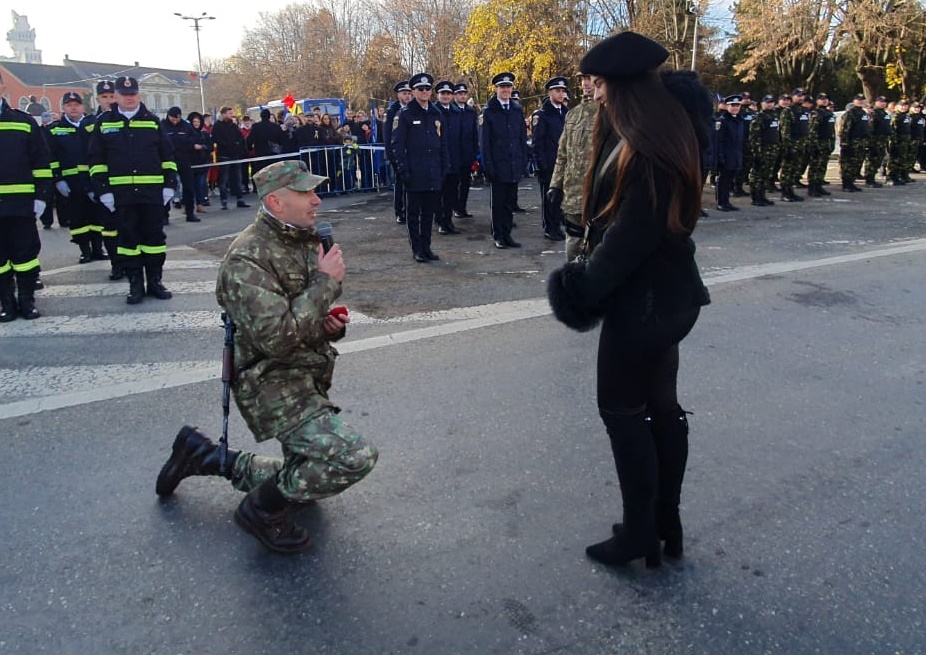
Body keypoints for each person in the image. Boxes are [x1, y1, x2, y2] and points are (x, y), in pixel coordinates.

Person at [546, 31, 712, 569]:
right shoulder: (663, 130)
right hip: (671, 297)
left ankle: (642, 529)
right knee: (661, 407)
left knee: (621, 412)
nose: (592, 93)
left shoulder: (647, 148)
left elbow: (629, 238)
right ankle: (668, 522)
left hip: (641, 305)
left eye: (599, 84)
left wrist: (581, 288)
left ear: (624, 88)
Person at [155, 160, 377, 553]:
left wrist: (330, 324)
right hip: (271, 381)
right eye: (305, 193)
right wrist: (326, 283)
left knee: (304, 478)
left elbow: (302, 314)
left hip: (306, 371)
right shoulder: (247, 260)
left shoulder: (301, 238)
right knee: (352, 457)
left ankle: (207, 457)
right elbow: (275, 339)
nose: (316, 200)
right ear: (275, 201)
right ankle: (260, 510)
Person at [88, 76, 178, 304]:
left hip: (151, 194)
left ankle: (155, 281)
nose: (130, 99)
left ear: (139, 95)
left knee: (155, 239)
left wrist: (169, 185)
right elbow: (96, 159)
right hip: (122, 196)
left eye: (133, 95)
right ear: (116, 96)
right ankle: (135, 284)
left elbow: (167, 156)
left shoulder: (152, 121)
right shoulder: (104, 122)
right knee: (128, 241)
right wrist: (103, 190)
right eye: (125, 95)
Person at [0, 70, 53, 321]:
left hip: (21, 205)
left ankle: (27, 300)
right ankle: (5, 303)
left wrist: (41, 196)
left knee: (25, 256)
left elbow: (41, 160)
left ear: (2, 89)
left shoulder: (23, 121)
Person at [391, 73, 450, 262]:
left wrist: (444, 167)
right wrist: (403, 170)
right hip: (414, 172)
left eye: (427, 89)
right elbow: (397, 146)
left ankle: (427, 247)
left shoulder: (436, 113)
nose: (424, 92)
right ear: (414, 92)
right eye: (420, 89)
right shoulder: (405, 114)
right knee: (414, 214)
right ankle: (417, 248)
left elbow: (443, 143)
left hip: (433, 171)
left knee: (428, 213)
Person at [47, 91, 107, 263]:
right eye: (69, 105)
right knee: (77, 218)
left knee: (96, 215)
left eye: (76, 104)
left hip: (92, 179)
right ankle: (84, 251)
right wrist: (58, 179)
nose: (73, 108)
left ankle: (97, 248)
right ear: (63, 108)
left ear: (83, 107)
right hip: (71, 183)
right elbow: (51, 156)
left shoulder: (93, 124)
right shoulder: (55, 129)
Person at [549, 72, 595, 261]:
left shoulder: (614, 113)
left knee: (598, 252)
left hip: (599, 196)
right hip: (573, 195)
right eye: (583, 79)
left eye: (590, 79)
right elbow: (563, 154)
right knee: (573, 251)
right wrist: (555, 184)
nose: (585, 83)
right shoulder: (573, 114)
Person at [481, 72, 528, 249]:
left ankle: (507, 234)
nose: (506, 90)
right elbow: (485, 143)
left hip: (513, 163)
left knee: (509, 203)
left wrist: (523, 161)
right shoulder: (489, 111)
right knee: (498, 204)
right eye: (503, 87)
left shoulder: (516, 110)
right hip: (498, 164)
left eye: (508, 87)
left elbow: (521, 138)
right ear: (497, 89)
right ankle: (498, 235)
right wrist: (488, 166)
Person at [532, 76, 569, 240]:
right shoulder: (542, 115)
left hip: (564, 164)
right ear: (550, 92)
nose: (561, 94)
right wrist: (540, 165)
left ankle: (557, 226)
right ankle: (549, 227)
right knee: (549, 198)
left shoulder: (566, 113)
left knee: (560, 197)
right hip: (549, 163)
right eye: (557, 91)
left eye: (563, 91)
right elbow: (537, 142)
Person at [161, 107, 201, 222]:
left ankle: (190, 213)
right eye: (173, 119)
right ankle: (164, 215)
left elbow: (193, 138)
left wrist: (187, 145)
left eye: (177, 119)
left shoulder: (185, 125)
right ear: (168, 116)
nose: (175, 121)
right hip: (168, 160)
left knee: (189, 187)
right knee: (167, 188)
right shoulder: (162, 125)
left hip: (184, 158)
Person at [434, 80, 462, 235]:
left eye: (448, 93)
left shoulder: (456, 112)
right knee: (439, 193)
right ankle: (440, 221)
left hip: (454, 158)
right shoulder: (433, 111)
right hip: (439, 160)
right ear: (438, 95)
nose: (445, 96)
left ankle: (448, 220)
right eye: (443, 93)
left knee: (451, 193)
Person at [384, 81, 413, 224]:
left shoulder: (414, 108)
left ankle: (410, 211)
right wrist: (392, 156)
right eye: (404, 93)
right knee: (400, 185)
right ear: (398, 95)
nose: (407, 96)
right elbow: (388, 136)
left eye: (409, 93)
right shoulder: (392, 111)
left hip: (412, 154)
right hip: (398, 154)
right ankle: (400, 212)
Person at [212, 107, 250, 210]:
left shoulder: (233, 126)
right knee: (223, 179)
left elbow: (239, 137)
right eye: (229, 113)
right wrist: (226, 144)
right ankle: (224, 201)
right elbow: (215, 138)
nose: (231, 115)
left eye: (231, 113)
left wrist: (238, 146)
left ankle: (240, 199)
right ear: (223, 114)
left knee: (238, 178)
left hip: (235, 155)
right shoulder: (217, 126)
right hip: (224, 155)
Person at [713, 94, 746, 211]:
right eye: (733, 105)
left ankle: (726, 201)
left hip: (736, 154)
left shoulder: (740, 120)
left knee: (730, 179)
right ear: (727, 106)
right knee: (723, 179)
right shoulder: (723, 121)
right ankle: (721, 202)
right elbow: (719, 140)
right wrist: (720, 156)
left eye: (737, 105)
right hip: (726, 154)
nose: (735, 108)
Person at [452, 82, 479, 218]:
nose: (462, 96)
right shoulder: (451, 110)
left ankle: (462, 207)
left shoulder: (470, 111)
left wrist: (475, 152)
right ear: (455, 95)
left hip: (467, 152)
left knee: (465, 182)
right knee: (453, 183)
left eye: (464, 94)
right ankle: (455, 207)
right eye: (459, 94)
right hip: (454, 152)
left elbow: (474, 132)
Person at [749, 95, 780, 206]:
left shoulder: (774, 116)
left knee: (766, 174)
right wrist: (757, 153)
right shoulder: (759, 118)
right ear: (762, 103)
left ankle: (762, 196)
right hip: (763, 149)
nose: (769, 104)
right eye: (767, 102)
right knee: (757, 175)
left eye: (771, 102)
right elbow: (754, 137)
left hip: (773, 149)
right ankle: (755, 197)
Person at [806, 93, 835, 197]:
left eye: (826, 99)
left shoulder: (829, 113)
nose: (824, 101)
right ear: (817, 101)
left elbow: (832, 130)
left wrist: (832, 143)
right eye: (821, 99)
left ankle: (819, 185)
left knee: (822, 166)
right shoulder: (816, 113)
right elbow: (812, 130)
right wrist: (813, 145)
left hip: (827, 142)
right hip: (818, 142)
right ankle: (812, 187)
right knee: (815, 166)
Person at [839, 94, 869, 192]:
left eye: (862, 100)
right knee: (848, 164)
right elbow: (844, 129)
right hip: (851, 142)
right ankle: (846, 184)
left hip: (861, 142)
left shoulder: (864, 113)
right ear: (854, 101)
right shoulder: (850, 113)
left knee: (856, 163)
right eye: (858, 99)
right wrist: (845, 143)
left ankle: (851, 182)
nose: (860, 101)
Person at [246, 108, 285, 176]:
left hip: (260, 155)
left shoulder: (256, 127)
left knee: (261, 175)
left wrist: (250, 149)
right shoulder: (276, 127)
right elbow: (282, 141)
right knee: (274, 175)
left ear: (261, 116)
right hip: (274, 154)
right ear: (269, 116)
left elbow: (249, 140)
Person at [187, 112, 213, 212]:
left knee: (200, 185)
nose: (196, 123)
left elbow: (210, 147)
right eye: (194, 121)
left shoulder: (204, 134)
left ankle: (200, 204)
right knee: (189, 186)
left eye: (198, 121)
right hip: (191, 163)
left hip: (202, 163)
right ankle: (188, 205)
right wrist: (192, 147)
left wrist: (202, 147)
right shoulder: (187, 134)